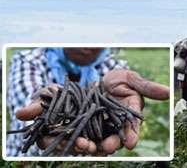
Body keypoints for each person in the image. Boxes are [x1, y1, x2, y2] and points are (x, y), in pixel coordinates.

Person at [7, 48, 169, 157]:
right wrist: (43, 119)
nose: (86, 46)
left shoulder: (114, 67)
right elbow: (25, 117)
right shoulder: (28, 60)